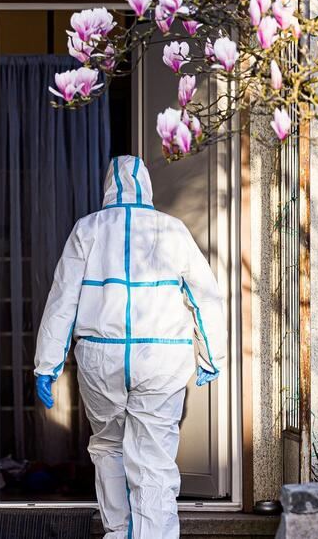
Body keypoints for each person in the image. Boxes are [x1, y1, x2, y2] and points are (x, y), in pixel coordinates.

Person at [33, 155, 226, 539]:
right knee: (153, 457)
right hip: (160, 357)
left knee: (108, 447)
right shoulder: (172, 230)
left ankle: (119, 532)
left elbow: (63, 299)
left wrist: (47, 364)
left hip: (100, 357)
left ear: (108, 187)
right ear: (148, 187)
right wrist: (211, 355)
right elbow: (204, 295)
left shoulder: (88, 228)